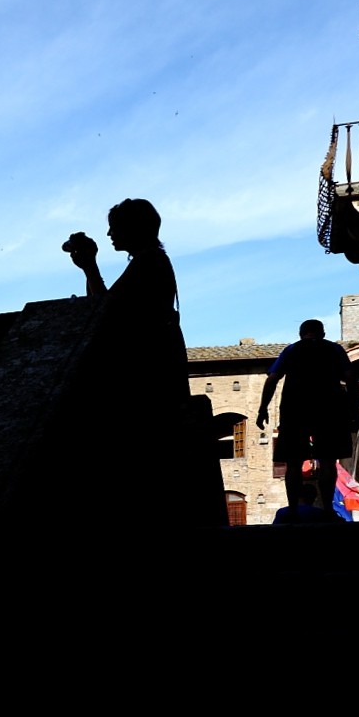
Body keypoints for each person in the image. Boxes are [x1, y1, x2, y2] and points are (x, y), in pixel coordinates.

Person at [63, 198, 228, 526]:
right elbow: (105, 307)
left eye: (115, 226)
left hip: (149, 374)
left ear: (133, 228)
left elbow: (106, 313)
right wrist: (89, 268)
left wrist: (91, 267)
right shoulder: (149, 260)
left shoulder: (148, 262)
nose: (109, 233)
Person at [256, 318, 359, 521]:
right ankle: (329, 510)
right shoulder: (334, 350)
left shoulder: (291, 350)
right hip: (330, 409)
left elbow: (272, 379)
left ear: (300, 334)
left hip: (295, 409)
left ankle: (293, 509)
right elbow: (350, 378)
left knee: (293, 463)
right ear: (322, 333)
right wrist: (354, 412)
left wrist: (262, 409)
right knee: (328, 461)